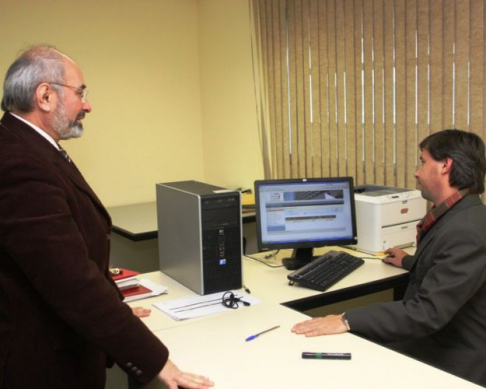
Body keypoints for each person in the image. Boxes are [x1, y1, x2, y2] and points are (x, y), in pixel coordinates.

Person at [0, 45, 213, 389]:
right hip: (42, 366)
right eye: (80, 92)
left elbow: (75, 258)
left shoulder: (28, 146)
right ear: (44, 96)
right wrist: (157, 361)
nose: (87, 104)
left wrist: (117, 308)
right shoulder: (19, 162)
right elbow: (72, 281)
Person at [292, 129, 486, 387]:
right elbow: (447, 270)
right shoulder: (461, 215)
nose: (417, 172)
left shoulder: (466, 230)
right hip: (439, 339)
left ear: (445, 165)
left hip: (451, 359)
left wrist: (346, 319)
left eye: (423, 161)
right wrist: (408, 261)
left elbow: (428, 311)